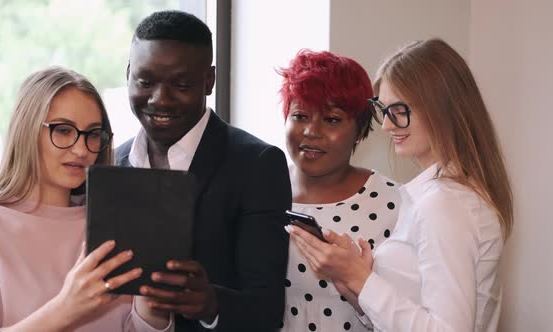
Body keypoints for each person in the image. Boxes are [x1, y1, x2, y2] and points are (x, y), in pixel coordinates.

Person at [286, 38, 513, 332]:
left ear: (440, 109)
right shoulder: (435, 196)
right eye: (385, 110)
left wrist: (360, 279)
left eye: (399, 111)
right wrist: (357, 280)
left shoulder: (445, 204)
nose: (387, 125)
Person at [114, 10, 292, 332]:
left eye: (181, 84)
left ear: (209, 81)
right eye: (145, 81)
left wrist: (211, 303)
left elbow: (267, 310)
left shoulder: (257, 165)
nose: (160, 100)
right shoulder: (111, 164)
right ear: (128, 74)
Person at [0, 67, 174, 331]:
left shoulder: (115, 223)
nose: (81, 148)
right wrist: (67, 308)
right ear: (26, 130)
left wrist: (153, 310)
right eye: (63, 130)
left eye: (93, 134)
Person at [277, 50, 400, 331]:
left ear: (360, 130)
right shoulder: (259, 190)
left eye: (331, 119)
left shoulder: (395, 204)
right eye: (299, 115)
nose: (311, 131)